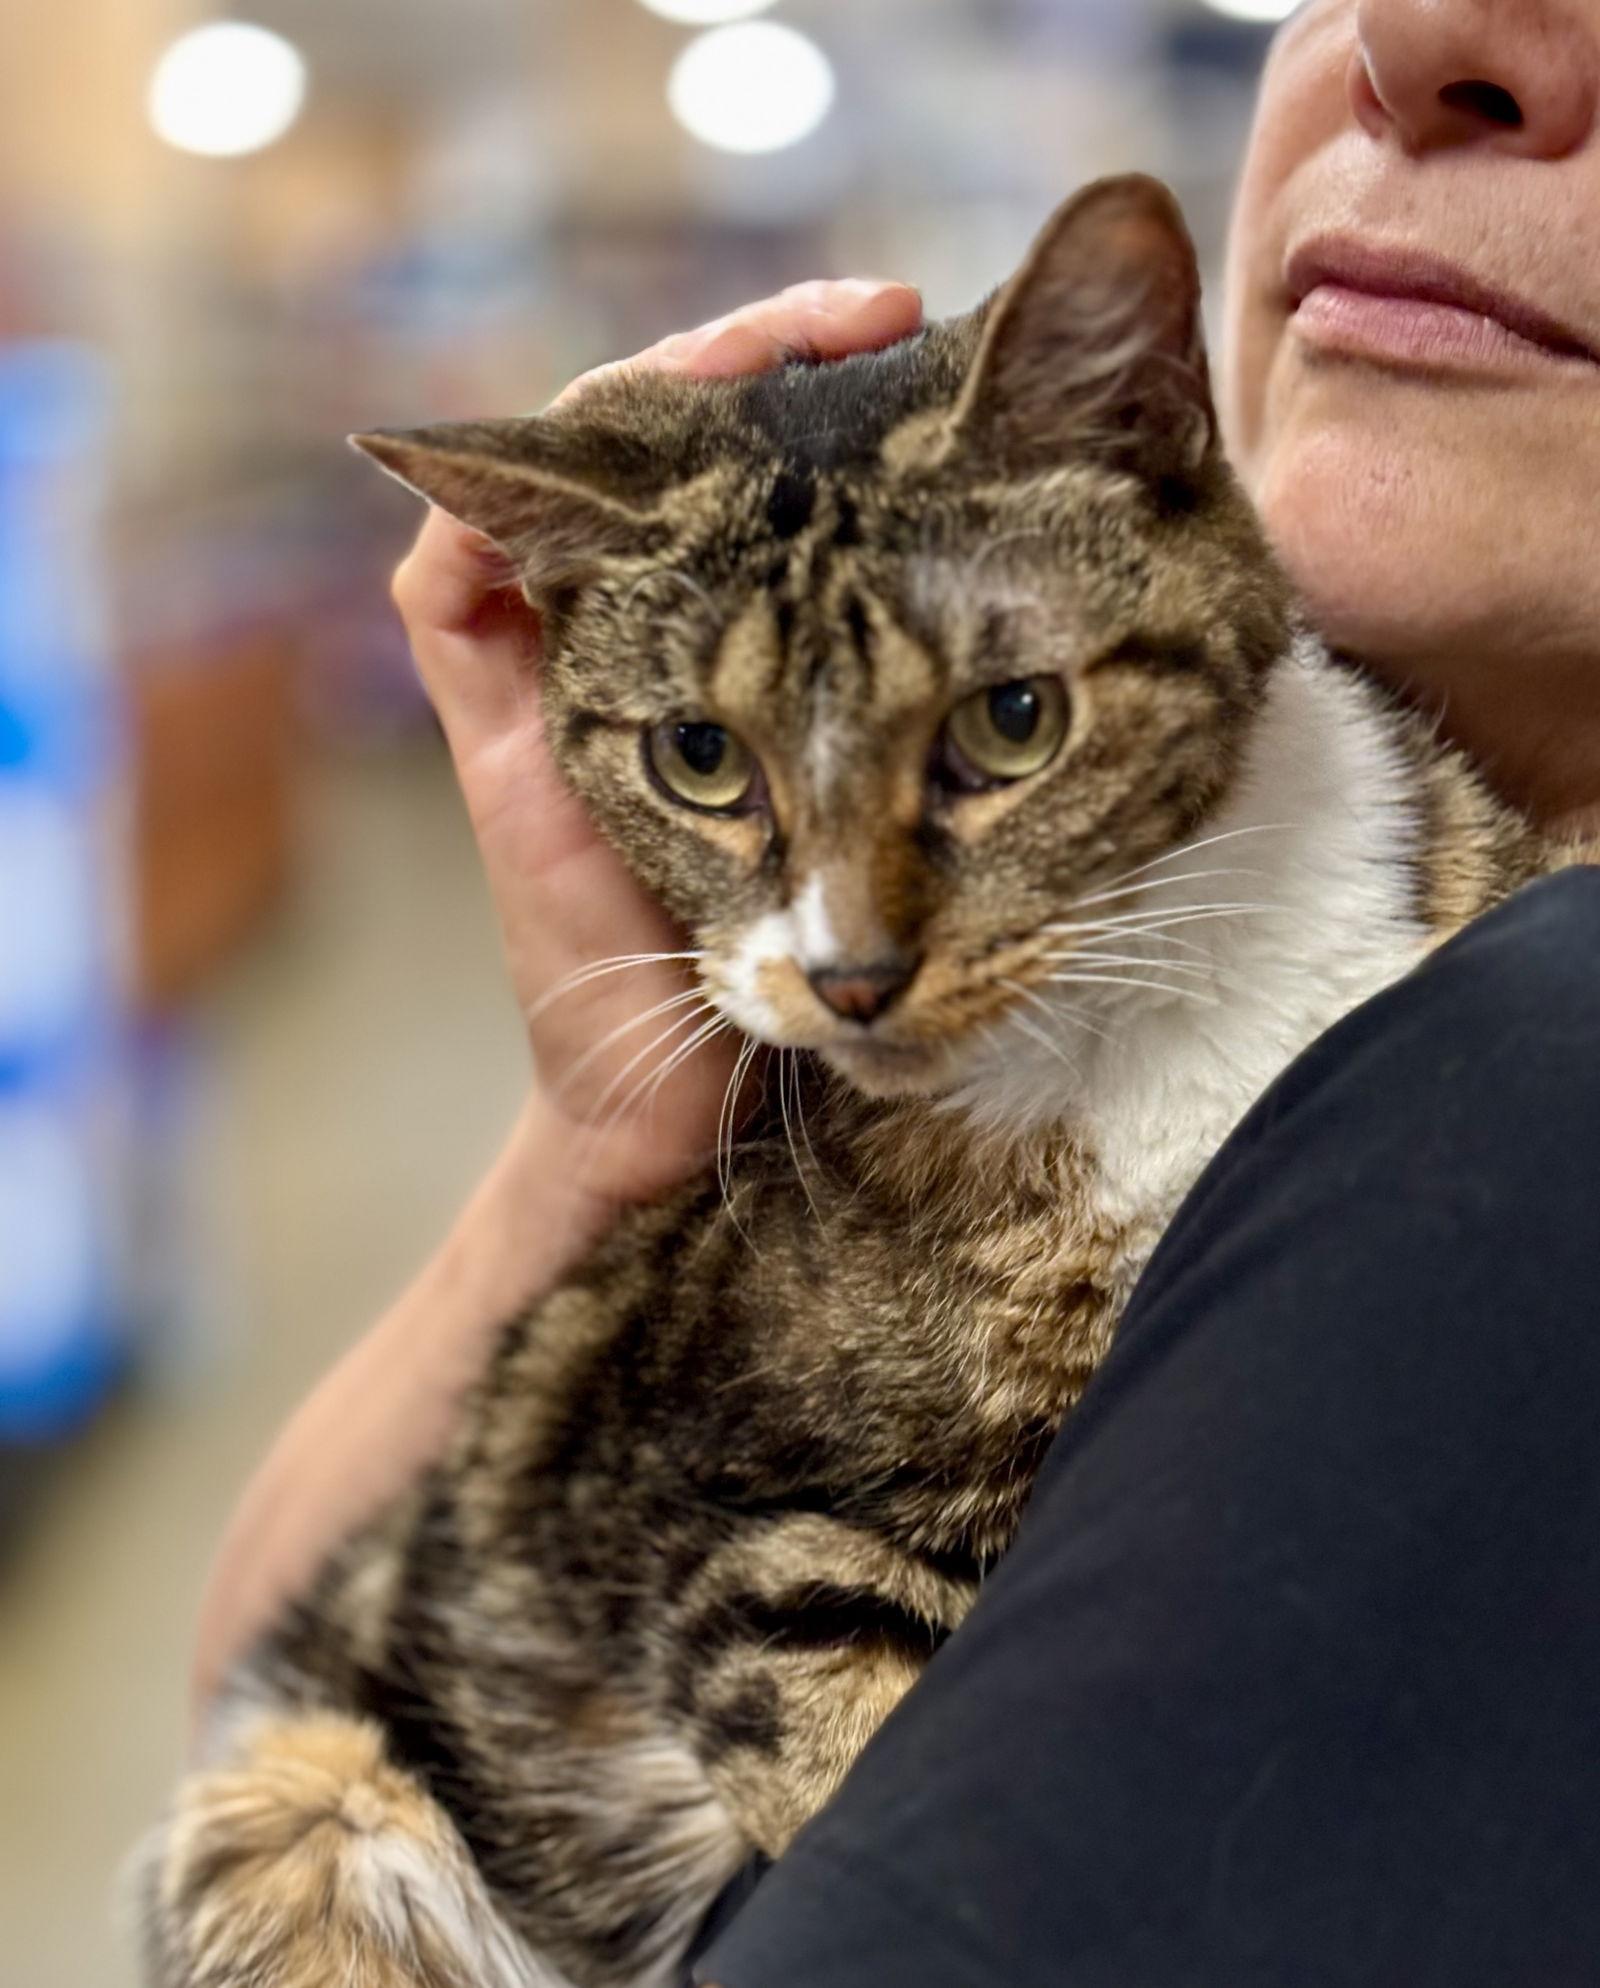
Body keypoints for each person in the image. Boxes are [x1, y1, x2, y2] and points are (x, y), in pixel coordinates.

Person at [193, 1, 1600, 1979]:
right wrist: (600, 1132)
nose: (1428, 26)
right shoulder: (1228, 865)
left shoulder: (1524, 1063)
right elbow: (276, 1716)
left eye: (1004, 721)